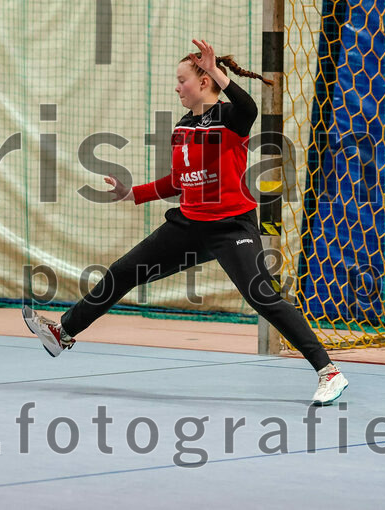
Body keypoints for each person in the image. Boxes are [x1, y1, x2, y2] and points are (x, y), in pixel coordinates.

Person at [25, 39, 348, 406]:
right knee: (124, 270)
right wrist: (135, 193)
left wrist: (217, 72)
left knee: (263, 296)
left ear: (205, 82)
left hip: (231, 226)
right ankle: (62, 332)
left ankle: (329, 372)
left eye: (182, 81)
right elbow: (179, 182)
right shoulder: (182, 126)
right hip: (189, 225)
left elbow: (250, 107)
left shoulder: (230, 117)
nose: (177, 88)